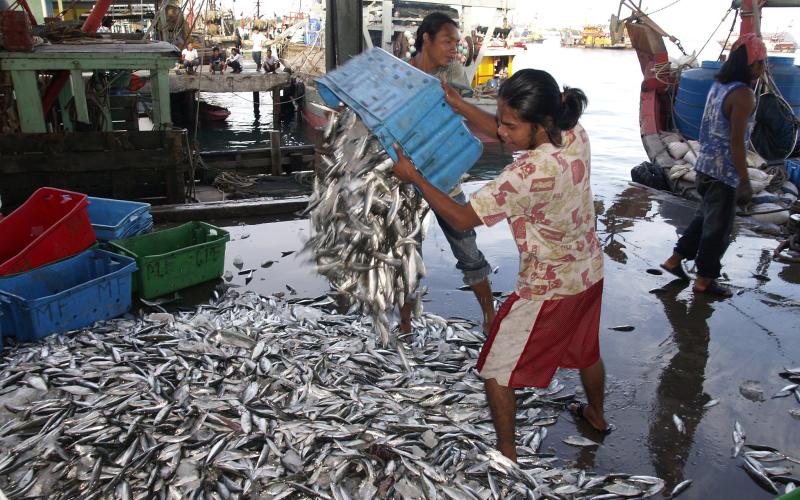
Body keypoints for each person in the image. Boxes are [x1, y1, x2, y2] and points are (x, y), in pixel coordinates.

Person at [392, 68, 609, 461]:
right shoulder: (574, 132)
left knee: (495, 370)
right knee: (586, 349)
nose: (501, 132)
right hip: (589, 270)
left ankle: (506, 457)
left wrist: (415, 177)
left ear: (540, 123)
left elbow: (459, 218)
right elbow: (500, 131)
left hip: (549, 288)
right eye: (501, 120)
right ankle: (595, 414)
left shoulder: (525, 175)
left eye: (510, 125)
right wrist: (457, 103)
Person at [401, 12, 495, 335]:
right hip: (407, 180)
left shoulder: (452, 71)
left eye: (457, 42)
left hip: (444, 174)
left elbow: (464, 111)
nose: (454, 49)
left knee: (467, 247)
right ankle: (405, 323)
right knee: (407, 251)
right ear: (426, 39)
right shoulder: (399, 71)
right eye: (447, 41)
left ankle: (489, 314)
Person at [660, 34, 766, 298]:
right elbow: (737, 144)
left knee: (703, 218)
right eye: (761, 63)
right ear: (750, 65)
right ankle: (705, 281)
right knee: (718, 231)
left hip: (703, 166)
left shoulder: (720, 85)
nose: (763, 68)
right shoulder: (743, 94)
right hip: (724, 173)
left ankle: (675, 260)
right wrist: (743, 180)